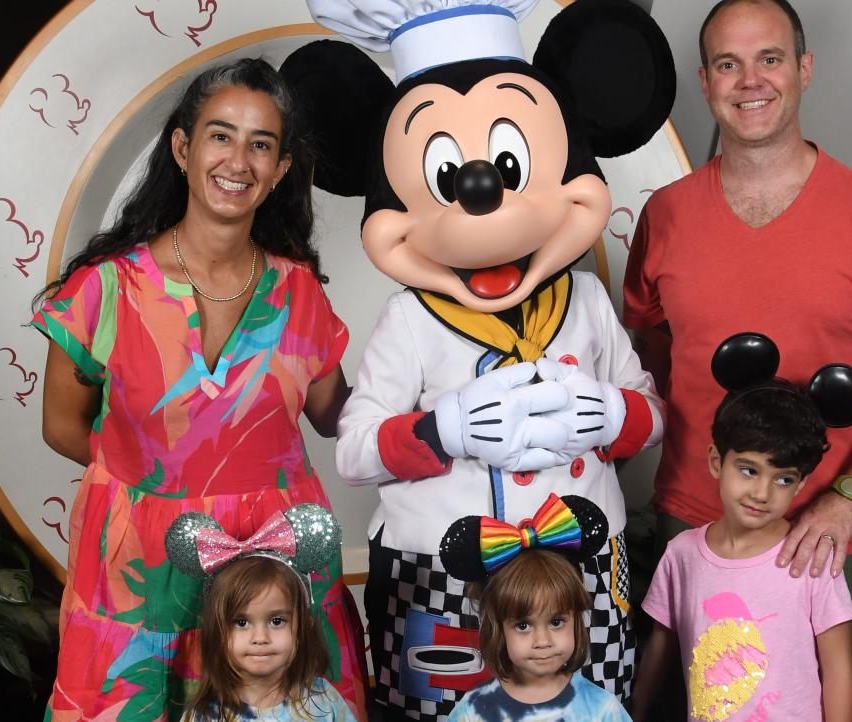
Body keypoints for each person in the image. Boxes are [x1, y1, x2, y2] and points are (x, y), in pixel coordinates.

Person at [622, 1, 852, 717]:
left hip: (826, 539)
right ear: (705, 82)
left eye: (769, 58)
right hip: (697, 526)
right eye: (728, 64)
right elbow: (647, 354)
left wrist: (844, 501)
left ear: (803, 70)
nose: (749, 81)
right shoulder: (666, 215)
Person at [32, 58, 366, 721]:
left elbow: (341, 421)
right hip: (142, 573)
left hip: (278, 569)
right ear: (183, 148)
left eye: (260, 144)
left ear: (278, 172)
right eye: (221, 134)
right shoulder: (104, 290)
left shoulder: (300, 294)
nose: (238, 159)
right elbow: (64, 428)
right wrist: (156, 480)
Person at [631, 381, 852, 722]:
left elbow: (838, 669)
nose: (762, 492)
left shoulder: (810, 558)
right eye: (749, 470)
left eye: (783, 479)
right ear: (716, 462)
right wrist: (634, 712)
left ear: (802, 484)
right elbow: (660, 647)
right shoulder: (682, 555)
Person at [447, 549, 631, 722]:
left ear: (576, 622)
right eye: (523, 625)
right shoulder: (472, 711)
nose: (543, 641)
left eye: (556, 622)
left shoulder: (603, 709)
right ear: (498, 629)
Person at [180, 556, 356, 722]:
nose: (260, 638)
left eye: (276, 621)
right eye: (241, 623)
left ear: (303, 627)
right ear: (218, 632)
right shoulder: (203, 715)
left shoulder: (324, 699)